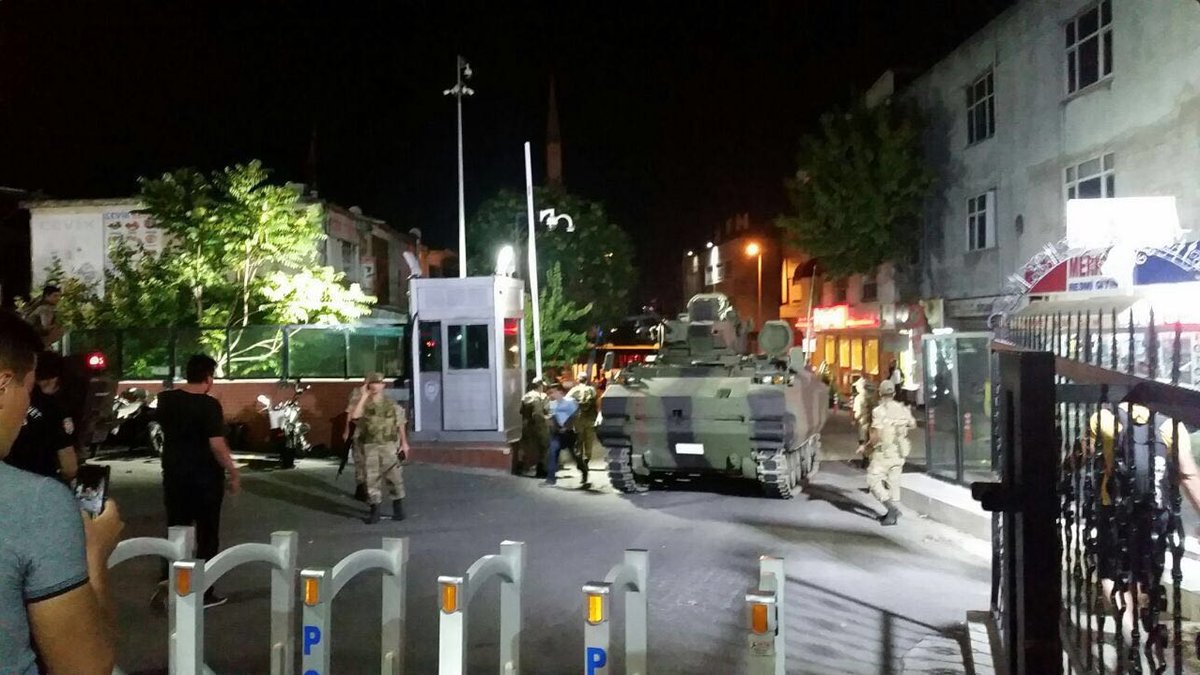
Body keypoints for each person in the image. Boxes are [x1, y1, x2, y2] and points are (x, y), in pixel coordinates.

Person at [0, 309, 124, 674]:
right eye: (28, 388)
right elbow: (86, 668)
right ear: (2, 384)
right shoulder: (36, 504)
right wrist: (95, 555)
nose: (25, 414)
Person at [1088, 403, 1200, 641]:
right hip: (1154, 513)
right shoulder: (1171, 425)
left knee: (1111, 574)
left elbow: (1088, 454)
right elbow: (1188, 474)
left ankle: (1130, 632)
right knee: (1141, 574)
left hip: (1115, 511)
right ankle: (1139, 625)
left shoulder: (1103, 419)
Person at [153, 355, 241, 608]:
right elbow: (217, 444)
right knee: (207, 535)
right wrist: (233, 472)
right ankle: (202, 590)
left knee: (176, 529)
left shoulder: (166, 399)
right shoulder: (209, 405)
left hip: (174, 474)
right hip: (205, 479)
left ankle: (169, 580)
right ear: (209, 378)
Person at [4, 351, 78, 482]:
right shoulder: (55, 408)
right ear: (54, 379)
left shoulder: (8, 401)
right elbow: (69, 467)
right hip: (40, 485)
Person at [348, 372, 409, 524]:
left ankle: (398, 508)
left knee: (394, 476)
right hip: (370, 446)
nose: (375, 386)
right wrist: (363, 396)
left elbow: (400, 423)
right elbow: (355, 416)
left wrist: (404, 443)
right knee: (371, 478)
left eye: (378, 383)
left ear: (383, 385)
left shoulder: (391, 404)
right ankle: (375, 510)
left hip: (389, 445)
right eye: (372, 383)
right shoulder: (364, 404)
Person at [866, 380, 916, 526]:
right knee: (894, 483)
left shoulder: (879, 411)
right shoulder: (902, 409)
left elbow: (876, 436)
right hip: (900, 452)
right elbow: (912, 424)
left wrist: (866, 447)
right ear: (893, 393)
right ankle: (891, 515)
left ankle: (892, 509)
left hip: (884, 454)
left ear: (880, 393)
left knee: (872, 480)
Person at [543, 383, 581, 487]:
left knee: (575, 455)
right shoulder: (553, 403)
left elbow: (575, 416)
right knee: (553, 452)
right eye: (550, 392)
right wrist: (550, 422)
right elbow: (552, 415)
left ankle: (584, 471)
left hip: (569, 433)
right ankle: (551, 479)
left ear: (560, 392)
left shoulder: (570, 402)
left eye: (553, 392)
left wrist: (567, 427)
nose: (552, 394)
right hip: (557, 433)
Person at [341, 378, 372, 501]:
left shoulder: (379, 394)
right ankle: (361, 488)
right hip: (359, 429)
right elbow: (349, 412)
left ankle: (367, 489)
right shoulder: (357, 392)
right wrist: (347, 430)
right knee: (360, 460)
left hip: (373, 431)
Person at [567, 373, 600, 485]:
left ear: (578, 380)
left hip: (578, 419)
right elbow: (596, 403)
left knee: (578, 441)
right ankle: (587, 459)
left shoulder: (574, 390)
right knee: (589, 440)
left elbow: (566, 402)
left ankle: (581, 461)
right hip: (590, 419)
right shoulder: (592, 390)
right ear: (587, 380)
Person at [518, 378, 550, 477]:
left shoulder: (526, 396)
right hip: (540, 425)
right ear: (540, 386)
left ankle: (522, 467)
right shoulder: (543, 396)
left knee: (528, 447)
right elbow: (546, 410)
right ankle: (541, 471)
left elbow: (521, 411)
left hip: (527, 426)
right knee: (544, 447)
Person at [22, 284, 64, 349]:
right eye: (55, 296)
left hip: (28, 336)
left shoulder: (39, 305)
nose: (58, 298)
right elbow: (45, 327)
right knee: (60, 329)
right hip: (33, 337)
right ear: (47, 296)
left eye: (59, 296)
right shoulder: (45, 308)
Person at [851, 376, 873, 455]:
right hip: (871, 421)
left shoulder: (858, 398)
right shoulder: (872, 397)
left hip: (862, 422)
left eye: (857, 386)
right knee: (870, 440)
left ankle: (865, 458)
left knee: (862, 440)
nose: (856, 387)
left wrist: (854, 420)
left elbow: (856, 412)